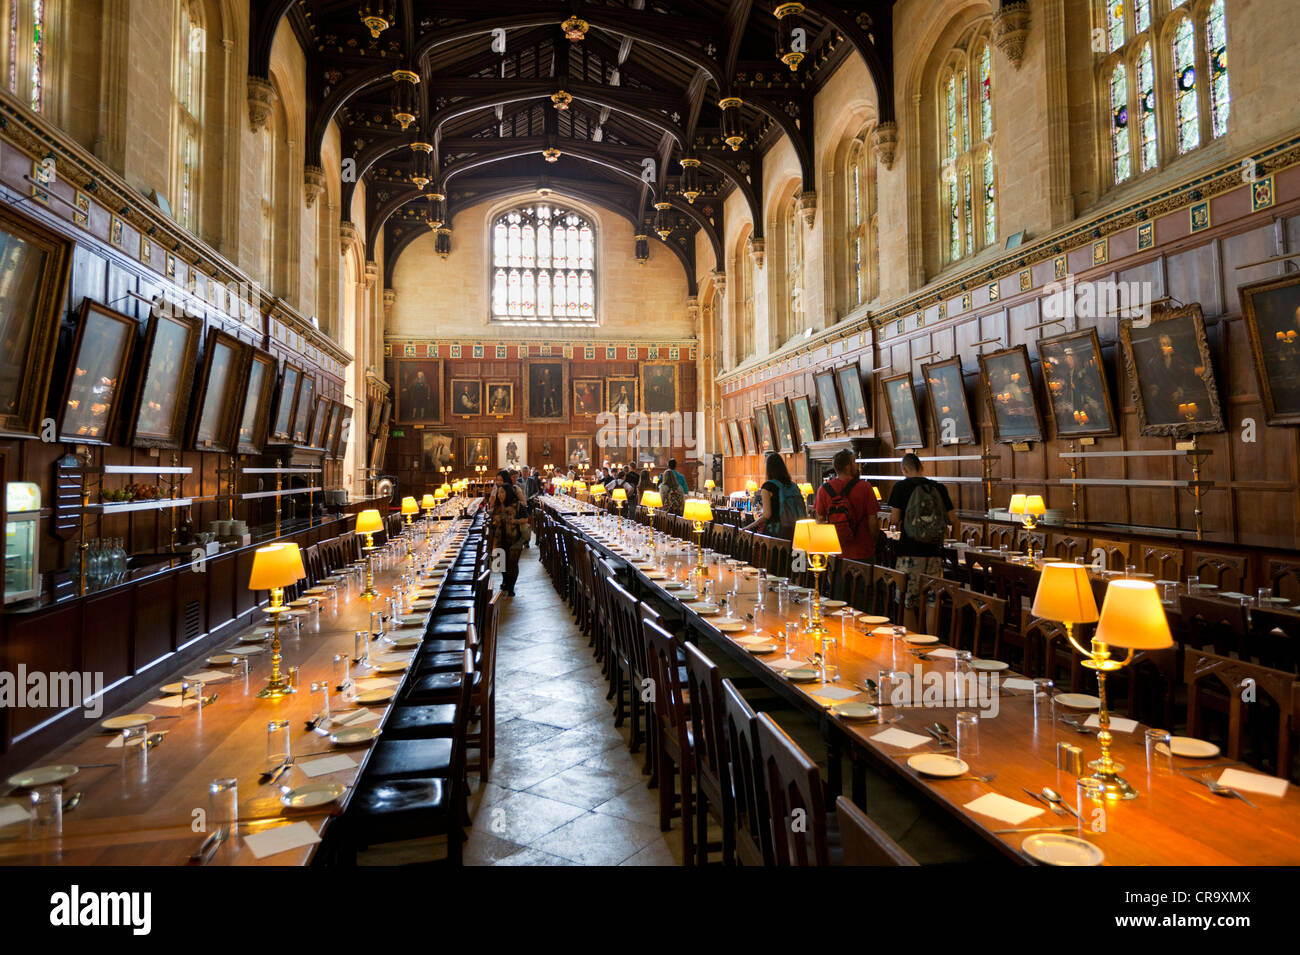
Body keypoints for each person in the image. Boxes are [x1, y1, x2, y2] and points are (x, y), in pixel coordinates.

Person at [887, 453, 958, 617]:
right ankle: (931, 640)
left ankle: (911, 640)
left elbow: (895, 519)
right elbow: (953, 520)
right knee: (932, 600)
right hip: (934, 552)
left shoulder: (900, 487)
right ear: (921, 467)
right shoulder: (939, 488)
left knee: (908, 601)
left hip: (909, 552)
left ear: (904, 469)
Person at [814, 448, 880, 561]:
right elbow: (873, 520)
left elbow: (820, 521)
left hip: (835, 551)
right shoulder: (865, 487)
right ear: (848, 467)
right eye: (854, 462)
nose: (856, 465)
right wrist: (874, 541)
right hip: (862, 550)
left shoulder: (824, 489)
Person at [743, 452, 805, 539]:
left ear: (768, 468)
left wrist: (748, 527)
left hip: (776, 532)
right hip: (796, 531)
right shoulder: (793, 485)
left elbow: (767, 515)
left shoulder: (768, 486)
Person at [487, 469, 527, 595]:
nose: (500, 495)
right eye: (499, 493)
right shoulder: (498, 505)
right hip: (500, 537)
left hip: (515, 538)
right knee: (502, 563)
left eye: (502, 493)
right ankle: (505, 581)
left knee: (512, 563)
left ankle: (511, 587)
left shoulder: (517, 505)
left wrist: (514, 521)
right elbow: (492, 516)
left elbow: (526, 518)